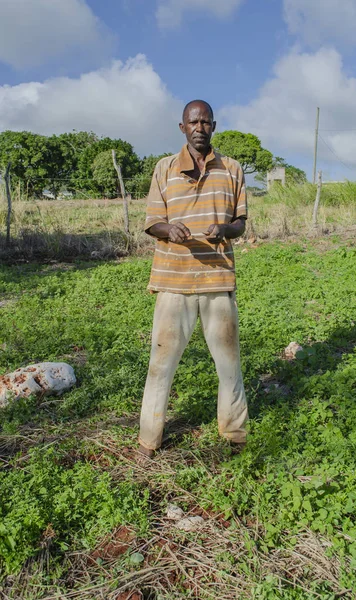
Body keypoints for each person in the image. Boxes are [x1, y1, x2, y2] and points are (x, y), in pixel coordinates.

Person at [138, 99, 249, 457]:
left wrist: (226, 229)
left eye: (206, 122)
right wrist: (168, 229)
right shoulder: (165, 168)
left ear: (214, 126)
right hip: (174, 283)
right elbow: (151, 222)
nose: (200, 128)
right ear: (182, 127)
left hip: (218, 281)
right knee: (161, 363)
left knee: (229, 362)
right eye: (193, 122)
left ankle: (234, 433)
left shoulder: (232, 169)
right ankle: (149, 439)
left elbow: (241, 224)